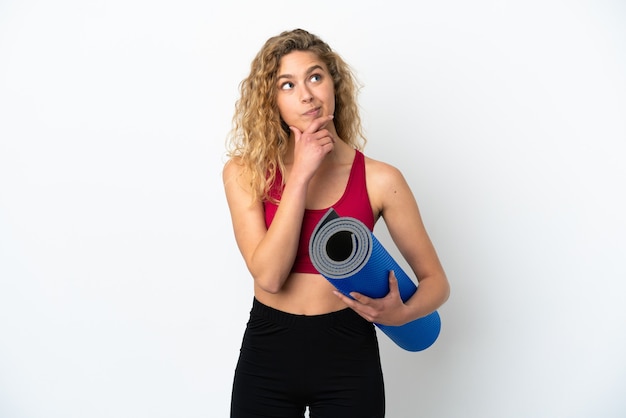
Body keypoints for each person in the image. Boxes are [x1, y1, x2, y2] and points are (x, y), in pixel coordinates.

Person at [223, 28, 450, 418]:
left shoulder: (381, 179)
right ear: (271, 100)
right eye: (287, 84)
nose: (306, 94)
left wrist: (401, 314)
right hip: (268, 351)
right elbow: (270, 277)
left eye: (315, 77)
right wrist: (301, 176)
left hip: (347, 351)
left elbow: (437, 283)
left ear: (333, 83)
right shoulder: (246, 173)